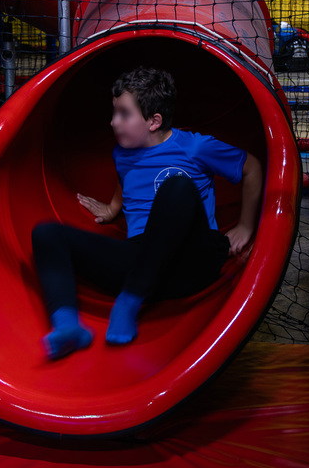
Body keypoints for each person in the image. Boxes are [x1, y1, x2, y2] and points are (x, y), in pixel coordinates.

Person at [31, 66, 263, 360]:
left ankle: (129, 301)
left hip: (192, 261)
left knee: (177, 186)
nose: (113, 122)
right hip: (142, 261)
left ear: (154, 121)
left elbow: (252, 168)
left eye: (124, 114)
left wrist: (245, 225)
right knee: (47, 233)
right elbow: (127, 178)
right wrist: (113, 208)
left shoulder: (194, 147)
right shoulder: (122, 152)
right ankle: (67, 327)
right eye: (114, 112)